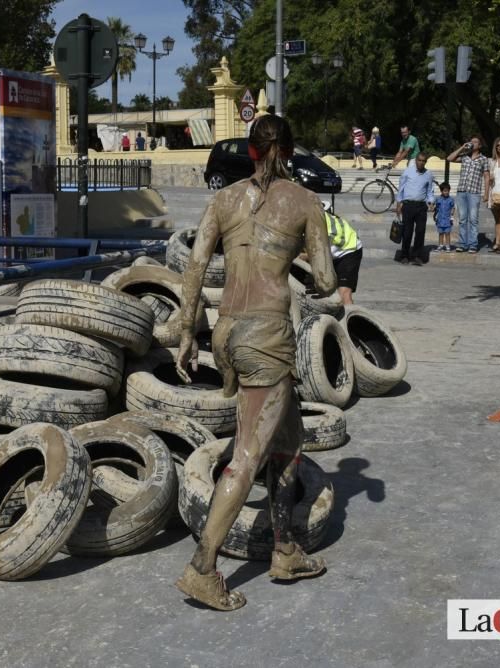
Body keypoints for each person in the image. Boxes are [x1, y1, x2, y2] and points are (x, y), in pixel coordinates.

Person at [174, 113, 336, 611]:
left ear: (249, 151)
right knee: (246, 456)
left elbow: (196, 263)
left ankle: (285, 550)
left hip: (226, 331)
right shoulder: (306, 202)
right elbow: (327, 281)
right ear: (289, 151)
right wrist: (307, 278)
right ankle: (202, 568)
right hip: (266, 335)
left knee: (286, 438)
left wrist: (186, 332)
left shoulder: (222, 199)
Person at [446, 135, 490, 253]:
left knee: (473, 219)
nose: (472, 143)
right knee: (462, 219)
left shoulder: (483, 159)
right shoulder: (464, 157)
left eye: (475, 142)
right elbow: (449, 158)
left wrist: (486, 194)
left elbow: (486, 177)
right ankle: (462, 244)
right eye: (471, 142)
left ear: (480, 145)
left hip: (474, 192)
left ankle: (473, 244)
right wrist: (462, 147)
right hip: (461, 192)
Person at [394, 152, 436, 266]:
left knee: (420, 231)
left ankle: (417, 256)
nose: (421, 163)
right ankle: (404, 255)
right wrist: (398, 204)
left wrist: (431, 202)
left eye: (423, 161)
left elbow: (430, 191)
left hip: (421, 206)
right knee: (407, 232)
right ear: (416, 160)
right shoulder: (408, 171)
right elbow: (401, 188)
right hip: (408, 206)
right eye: (419, 160)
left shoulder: (428, 174)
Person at [320, 201, 363, 304]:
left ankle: (350, 318)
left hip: (349, 251)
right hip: (331, 253)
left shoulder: (322, 224)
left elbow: (313, 254)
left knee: (344, 293)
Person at [433, 182, 455, 252]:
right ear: (441, 191)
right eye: (445, 191)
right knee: (441, 233)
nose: (446, 192)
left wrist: (452, 215)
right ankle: (440, 245)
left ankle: (448, 246)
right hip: (440, 220)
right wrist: (435, 215)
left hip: (447, 220)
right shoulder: (438, 199)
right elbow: (435, 208)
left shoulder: (451, 199)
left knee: (447, 233)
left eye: (447, 191)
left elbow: (453, 208)